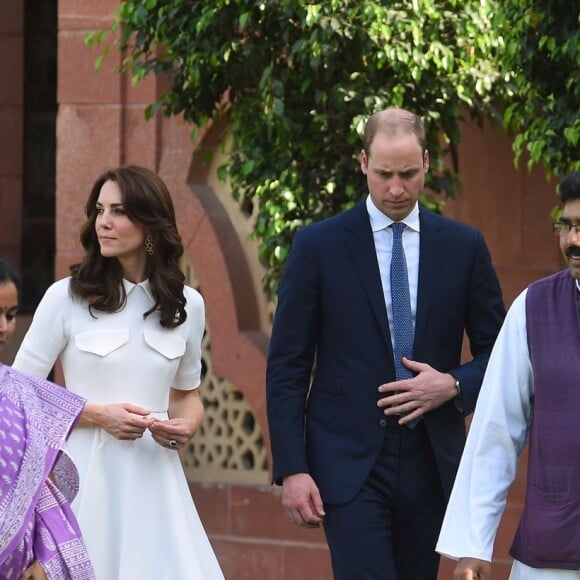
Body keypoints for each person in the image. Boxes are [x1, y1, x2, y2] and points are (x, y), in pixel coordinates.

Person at [266, 107, 506, 580]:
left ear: (427, 164)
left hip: (432, 462)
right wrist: (292, 468)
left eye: (408, 174)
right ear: (362, 164)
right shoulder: (318, 246)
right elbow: (288, 365)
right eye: (383, 174)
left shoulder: (463, 246)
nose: (396, 189)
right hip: (347, 462)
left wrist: (453, 385)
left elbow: (500, 353)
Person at [12, 166, 225, 579]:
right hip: (82, 479)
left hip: (157, 479)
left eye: (119, 211)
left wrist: (187, 425)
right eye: (100, 209)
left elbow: (187, 394)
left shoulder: (186, 305)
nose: (103, 222)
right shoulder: (66, 297)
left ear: (150, 226)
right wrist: (95, 415)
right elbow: (18, 393)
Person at [436, 170, 580, 579]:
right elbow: (496, 429)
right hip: (551, 552)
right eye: (567, 226)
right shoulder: (533, 309)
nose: (574, 241)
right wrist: (473, 544)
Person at [0, 259, 95, 580]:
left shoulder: (20, 394)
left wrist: (47, 557)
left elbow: (41, 489)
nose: (3, 327)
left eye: (10, 315)